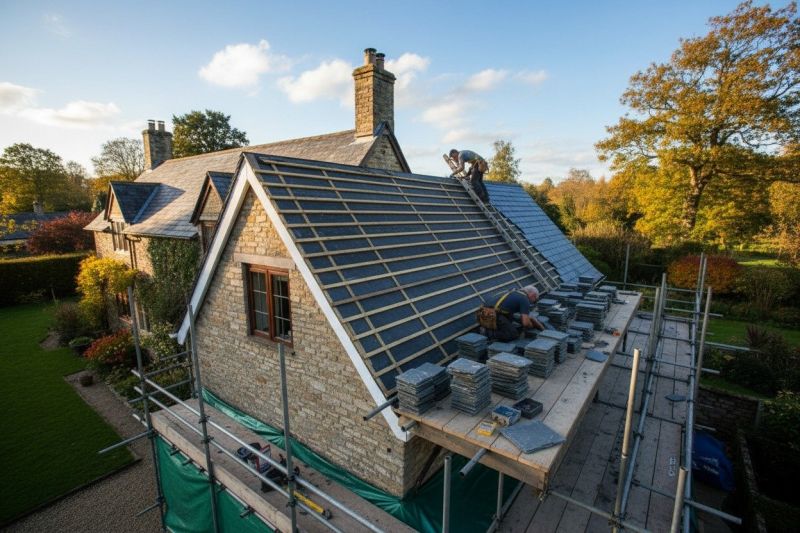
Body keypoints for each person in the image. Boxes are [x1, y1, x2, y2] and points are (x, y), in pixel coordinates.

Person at [478, 285, 545, 342]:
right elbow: (526, 323)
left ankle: (491, 327)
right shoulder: (524, 299)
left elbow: (524, 317)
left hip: (482, 313)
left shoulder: (513, 291)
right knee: (513, 334)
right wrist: (532, 326)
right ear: (533, 295)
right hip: (491, 315)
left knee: (512, 317)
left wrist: (540, 327)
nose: (533, 303)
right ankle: (487, 332)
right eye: (535, 300)